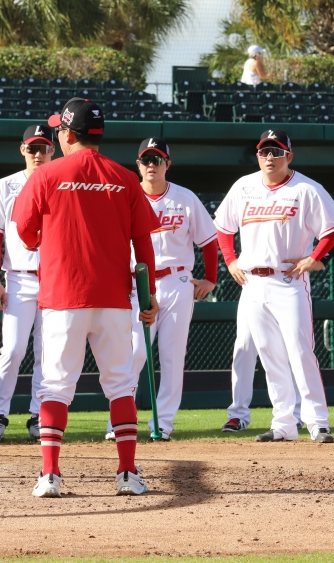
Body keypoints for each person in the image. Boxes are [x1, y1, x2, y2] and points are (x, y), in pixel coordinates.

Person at [12, 98, 160, 498]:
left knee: (56, 385)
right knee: (120, 385)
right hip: (113, 296)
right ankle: (127, 474)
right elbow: (143, 246)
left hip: (63, 295)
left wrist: (53, 237)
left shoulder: (45, 175)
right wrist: (150, 297)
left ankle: (50, 475)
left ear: (67, 134)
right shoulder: (126, 178)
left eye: (60, 130)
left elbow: (25, 234)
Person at [214, 129, 334, 443]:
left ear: (289, 155)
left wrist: (314, 256)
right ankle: (284, 423)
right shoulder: (244, 186)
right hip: (253, 282)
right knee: (269, 355)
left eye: (276, 151)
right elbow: (222, 226)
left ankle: (318, 421)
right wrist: (231, 260)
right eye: (264, 151)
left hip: (289, 281)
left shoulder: (306, 189)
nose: (270, 157)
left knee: (301, 351)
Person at [103, 137, 218, 441]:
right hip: (137, 283)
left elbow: (208, 240)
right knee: (134, 354)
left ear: (168, 163)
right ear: (138, 164)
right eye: (145, 160)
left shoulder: (185, 197)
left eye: (157, 159)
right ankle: (120, 420)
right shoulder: (124, 196)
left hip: (177, 280)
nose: (151, 165)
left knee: (171, 356)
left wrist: (211, 279)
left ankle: (163, 423)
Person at [0, 125, 53, 443]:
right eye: (32, 148)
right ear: (22, 150)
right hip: (19, 278)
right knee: (12, 350)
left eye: (43, 148)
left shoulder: (59, 184)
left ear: (53, 150)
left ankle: (38, 416)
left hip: (53, 278)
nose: (38, 154)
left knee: (46, 353)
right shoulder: (5, 186)